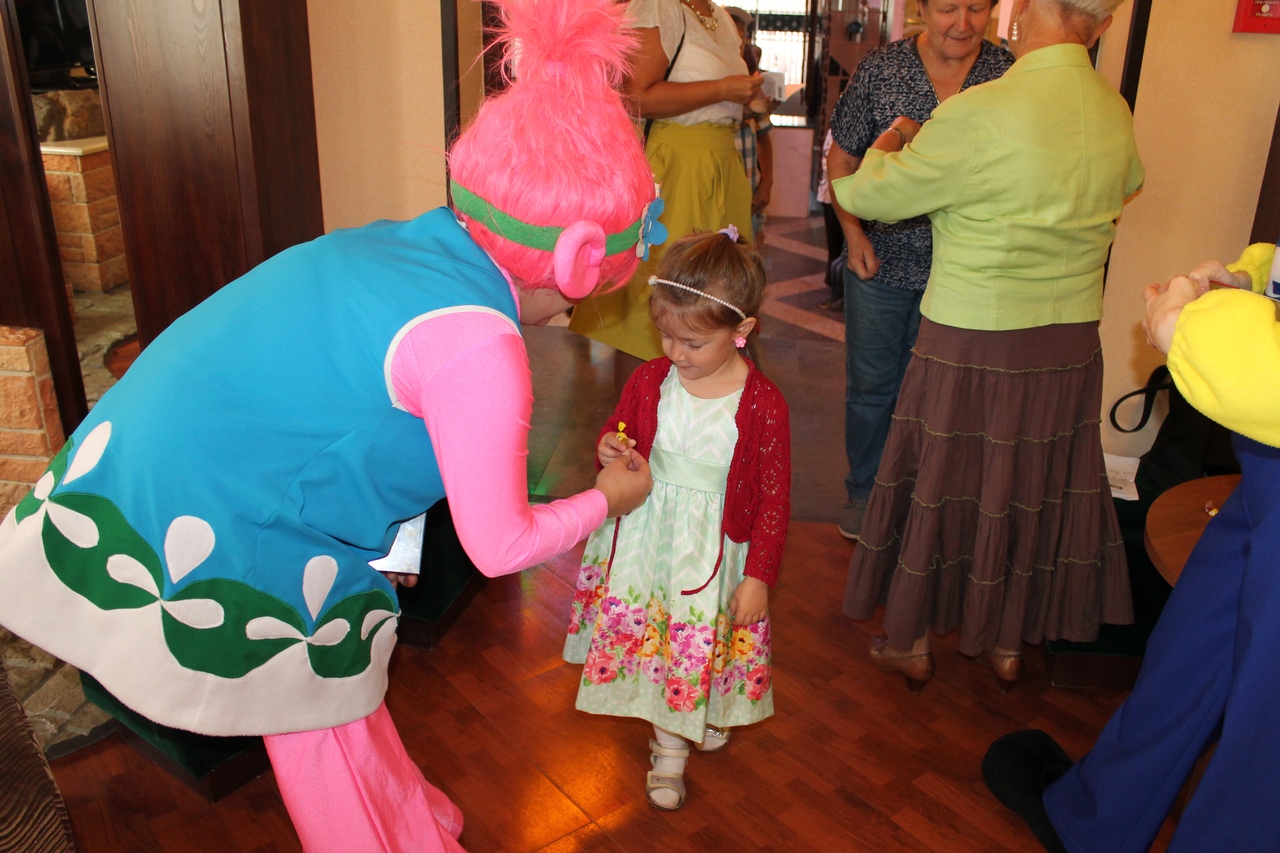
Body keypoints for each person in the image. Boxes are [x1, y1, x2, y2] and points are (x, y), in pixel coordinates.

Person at [0, 1, 658, 850]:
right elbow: (501, 545)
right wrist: (609, 498)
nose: (575, 309)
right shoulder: (480, 345)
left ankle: (409, 823)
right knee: (312, 705)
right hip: (213, 508)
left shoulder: (409, 243)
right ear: (574, 261)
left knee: (335, 683)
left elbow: (348, 406)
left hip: (163, 452)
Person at [835, 0, 1143, 693]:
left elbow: (865, 192)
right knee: (1027, 483)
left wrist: (896, 136)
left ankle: (912, 640)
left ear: (1027, 10)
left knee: (941, 481)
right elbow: (1129, 183)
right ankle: (1005, 641)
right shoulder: (1112, 109)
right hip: (1069, 339)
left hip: (975, 333)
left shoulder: (978, 112)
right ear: (1101, 24)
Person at [983, 246, 1280, 853]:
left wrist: (1189, 327)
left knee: (1264, 747)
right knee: (1190, 649)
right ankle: (1094, 822)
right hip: (1266, 468)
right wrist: (1253, 278)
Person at [563, 228, 791, 811]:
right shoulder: (650, 380)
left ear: (741, 330)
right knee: (661, 639)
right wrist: (611, 447)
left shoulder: (762, 403)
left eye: (692, 342)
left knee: (700, 637)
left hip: (711, 549)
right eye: (666, 335)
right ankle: (668, 752)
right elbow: (622, 431)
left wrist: (758, 576)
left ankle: (700, 709)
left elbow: (774, 499)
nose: (676, 353)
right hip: (647, 536)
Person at [827, 0, 1013, 541]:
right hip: (881, 267)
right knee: (872, 389)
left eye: (976, 8)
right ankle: (865, 492)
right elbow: (842, 160)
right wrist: (853, 235)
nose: (962, 23)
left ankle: (922, 499)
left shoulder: (1006, 75)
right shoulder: (882, 69)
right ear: (923, 9)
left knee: (943, 395)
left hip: (965, 272)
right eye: (948, 8)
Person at [569, 0, 763, 363]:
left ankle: (697, 396)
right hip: (677, 163)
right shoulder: (660, 6)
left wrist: (744, 96)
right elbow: (636, 96)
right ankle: (641, 400)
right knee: (664, 296)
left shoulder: (721, 16)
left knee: (718, 292)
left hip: (722, 159)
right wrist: (724, 89)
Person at [726, 5, 774, 247]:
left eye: (742, 36)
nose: (738, 42)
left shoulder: (752, 85)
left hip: (748, 191)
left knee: (746, 251)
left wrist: (767, 183)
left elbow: (764, 138)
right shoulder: (701, 84)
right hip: (719, 189)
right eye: (731, 35)